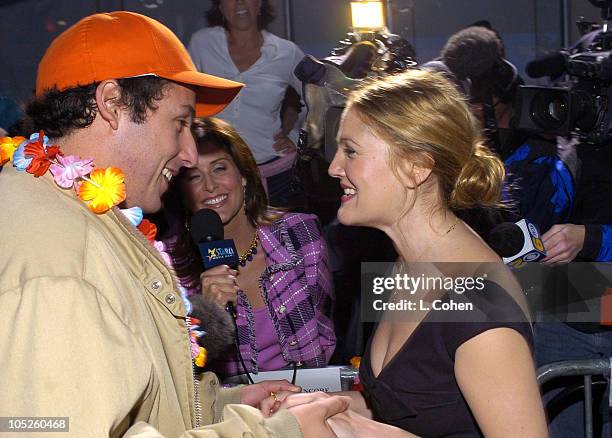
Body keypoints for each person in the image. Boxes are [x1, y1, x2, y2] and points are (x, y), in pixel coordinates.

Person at [0, 11, 352, 438]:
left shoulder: (82, 214)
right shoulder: (60, 260)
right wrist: (277, 432)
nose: (188, 155)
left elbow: (138, 399)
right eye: (180, 123)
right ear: (112, 104)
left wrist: (223, 405)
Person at [316, 69, 548, 436]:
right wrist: (329, 407)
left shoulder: (479, 306)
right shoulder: (405, 266)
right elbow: (413, 405)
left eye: (351, 151)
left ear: (417, 167)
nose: (334, 168)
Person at [163, 117, 336, 378]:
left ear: (243, 176)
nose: (210, 186)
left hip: (306, 398)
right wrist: (208, 314)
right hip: (229, 409)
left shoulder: (300, 234)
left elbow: (323, 330)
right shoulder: (171, 268)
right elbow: (176, 370)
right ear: (182, 192)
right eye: (194, 177)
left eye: (219, 169)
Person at [188, 0, 305, 207]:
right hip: (212, 172)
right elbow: (183, 96)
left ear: (260, 4)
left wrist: (297, 136)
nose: (240, 3)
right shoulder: (202, 43)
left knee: (275, 238)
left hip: (272, 170)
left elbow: (317, 96)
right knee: (218, 237)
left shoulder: (286, 52)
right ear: (220, 7)